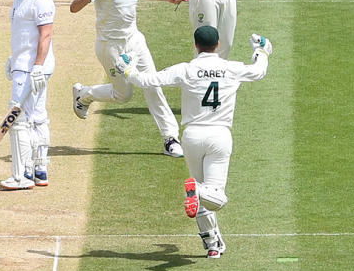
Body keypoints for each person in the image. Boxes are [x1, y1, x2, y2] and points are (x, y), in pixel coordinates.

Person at [116, 26, 272, 258]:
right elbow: (259, 71)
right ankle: (197, 191)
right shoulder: (232, 68)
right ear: (218, 45)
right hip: (219, 136)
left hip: (191, 137)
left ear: (195, 45)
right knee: (214, 195)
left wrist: (127, 71)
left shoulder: (186, 69)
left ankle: (213, 246)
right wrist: (261, 51)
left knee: (204, 195)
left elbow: (150, 80)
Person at [70, 0, 188, 158]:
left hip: (135, 41)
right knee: (123, 95)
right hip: (111, 46)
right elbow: (73, 8)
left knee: (153, 84)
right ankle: (84, 95)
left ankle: (170, 138)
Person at [0, 0, 55, 190]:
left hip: (33, 69)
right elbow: (24, 35)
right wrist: (14, 59)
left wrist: (38, 66)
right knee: (37, 116)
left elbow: (46, 35)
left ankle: (21, 175)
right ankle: (39, 169)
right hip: (24, 65)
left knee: (19, 119)